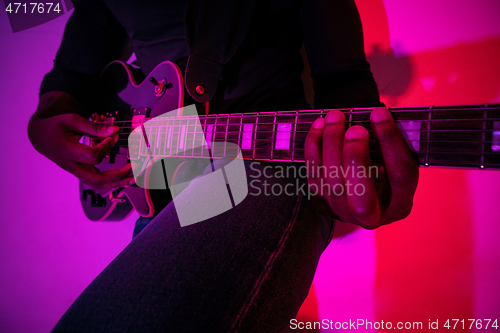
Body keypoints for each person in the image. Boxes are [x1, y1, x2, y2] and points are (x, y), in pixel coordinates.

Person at [28, 0, 419, 331]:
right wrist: (42, 124)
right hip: (163, 191)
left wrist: (365, 168)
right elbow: (72, 75)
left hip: (264, 169)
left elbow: (344, 80)